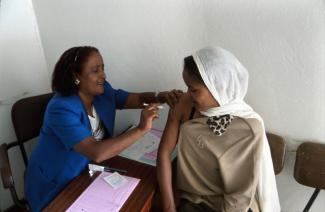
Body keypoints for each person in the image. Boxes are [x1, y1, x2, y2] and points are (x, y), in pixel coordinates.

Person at [24, 46, 182, 211]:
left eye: (102, 68)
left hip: (89, 173)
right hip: (57, 183)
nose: (103, 75)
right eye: (95, 70)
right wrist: (141, 129)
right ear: (76, 76)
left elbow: (135, 99)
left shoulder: (102, 91)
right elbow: (96, 152)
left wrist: (161, 96)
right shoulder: (61, 108)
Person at [157, 46, 281, 212]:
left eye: (194, 89)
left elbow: (239, 196)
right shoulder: (186, 104)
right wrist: (169, 206)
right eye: (187, 86)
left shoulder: (247, 129)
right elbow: (164, 153)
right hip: (193, 200)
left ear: (218, 87)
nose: (187, 93)